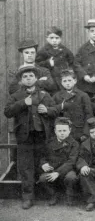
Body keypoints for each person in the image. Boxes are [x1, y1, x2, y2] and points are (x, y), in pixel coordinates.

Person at [4, 65, 58, 209]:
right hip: (24, 137)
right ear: (21, 80)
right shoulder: (16, 96)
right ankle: (28, 197)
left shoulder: (44, 95)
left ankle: (50, 194)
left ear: (36, 78)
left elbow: (56, 111)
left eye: (31, 76)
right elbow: (7, 112)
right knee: (26, 167)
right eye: (25, 77)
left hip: (41, 136)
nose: (28, 79)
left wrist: (47, 110)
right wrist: (23, 103)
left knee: (44, 165)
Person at [38, 117, 79, 206]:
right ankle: (53, 195)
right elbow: (43, 156)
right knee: (43, 178)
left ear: (69, 130)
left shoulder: (74, 144)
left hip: (67, 170)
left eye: (64, 130)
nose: (62, 133)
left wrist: (57, 173)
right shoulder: (49, 142)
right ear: (55, 131)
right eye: (59, 131)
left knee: (71, 177)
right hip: (52, 168)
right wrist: (43, 164)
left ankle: (69, 195)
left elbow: (71, 161)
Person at [52, 69, 93, 143]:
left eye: (69, 80)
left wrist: (85, 133)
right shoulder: (57, 96)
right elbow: (53, 112)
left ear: (75, 81)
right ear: (61, 82)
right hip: (62, 133)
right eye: (64, 81)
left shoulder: (83, 95)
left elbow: (89, 115)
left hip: (78, 132)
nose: (67, 83)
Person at [36, 26, 74, 92]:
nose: (54, 40)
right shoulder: (43, 51)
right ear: (47, 38)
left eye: (57, 38)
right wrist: (48, 63)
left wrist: (69, 71)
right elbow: (37, 64)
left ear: (60, 39)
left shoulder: (64, 50)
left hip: (62, 78)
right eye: (51, 38)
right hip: (51, 79)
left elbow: (72, 61)